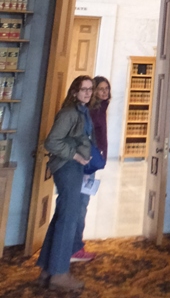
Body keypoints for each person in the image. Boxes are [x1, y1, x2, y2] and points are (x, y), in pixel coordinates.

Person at [37, 75, 94, 292]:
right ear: (74, 92)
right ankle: (59, 274)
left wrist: (85, 167)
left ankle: (47, 269)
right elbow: (51, 141)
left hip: (75, 168)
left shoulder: (82, 111)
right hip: (67, 167)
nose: (88, 93)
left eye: (90, 89)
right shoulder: (69, 113)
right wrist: (76, 157)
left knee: (62, 217)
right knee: (68, 220)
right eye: (83, 89)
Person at [71, 76, 111, 264]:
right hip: (86, 161)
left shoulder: (101, 108)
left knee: (82, 203)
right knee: (80, 204)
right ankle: (74, 247)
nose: (104, 92)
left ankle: (75, 245)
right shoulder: (91, 110)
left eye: (106, 89)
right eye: (100, 89)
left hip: (92, 160)